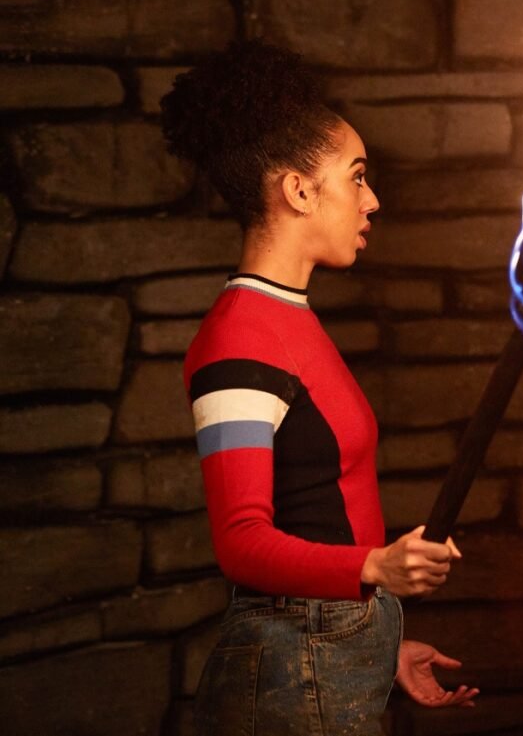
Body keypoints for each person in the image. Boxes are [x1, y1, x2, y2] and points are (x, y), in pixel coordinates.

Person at [163, 40, 479, 735]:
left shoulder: (288, 319)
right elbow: (241, 542)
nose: (373, 199)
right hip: (288, 667)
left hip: (321, 656)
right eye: (357, 177)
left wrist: (377, 645)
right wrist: (378, 567)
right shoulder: (240, 337)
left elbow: (320, 510)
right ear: (299, 191)